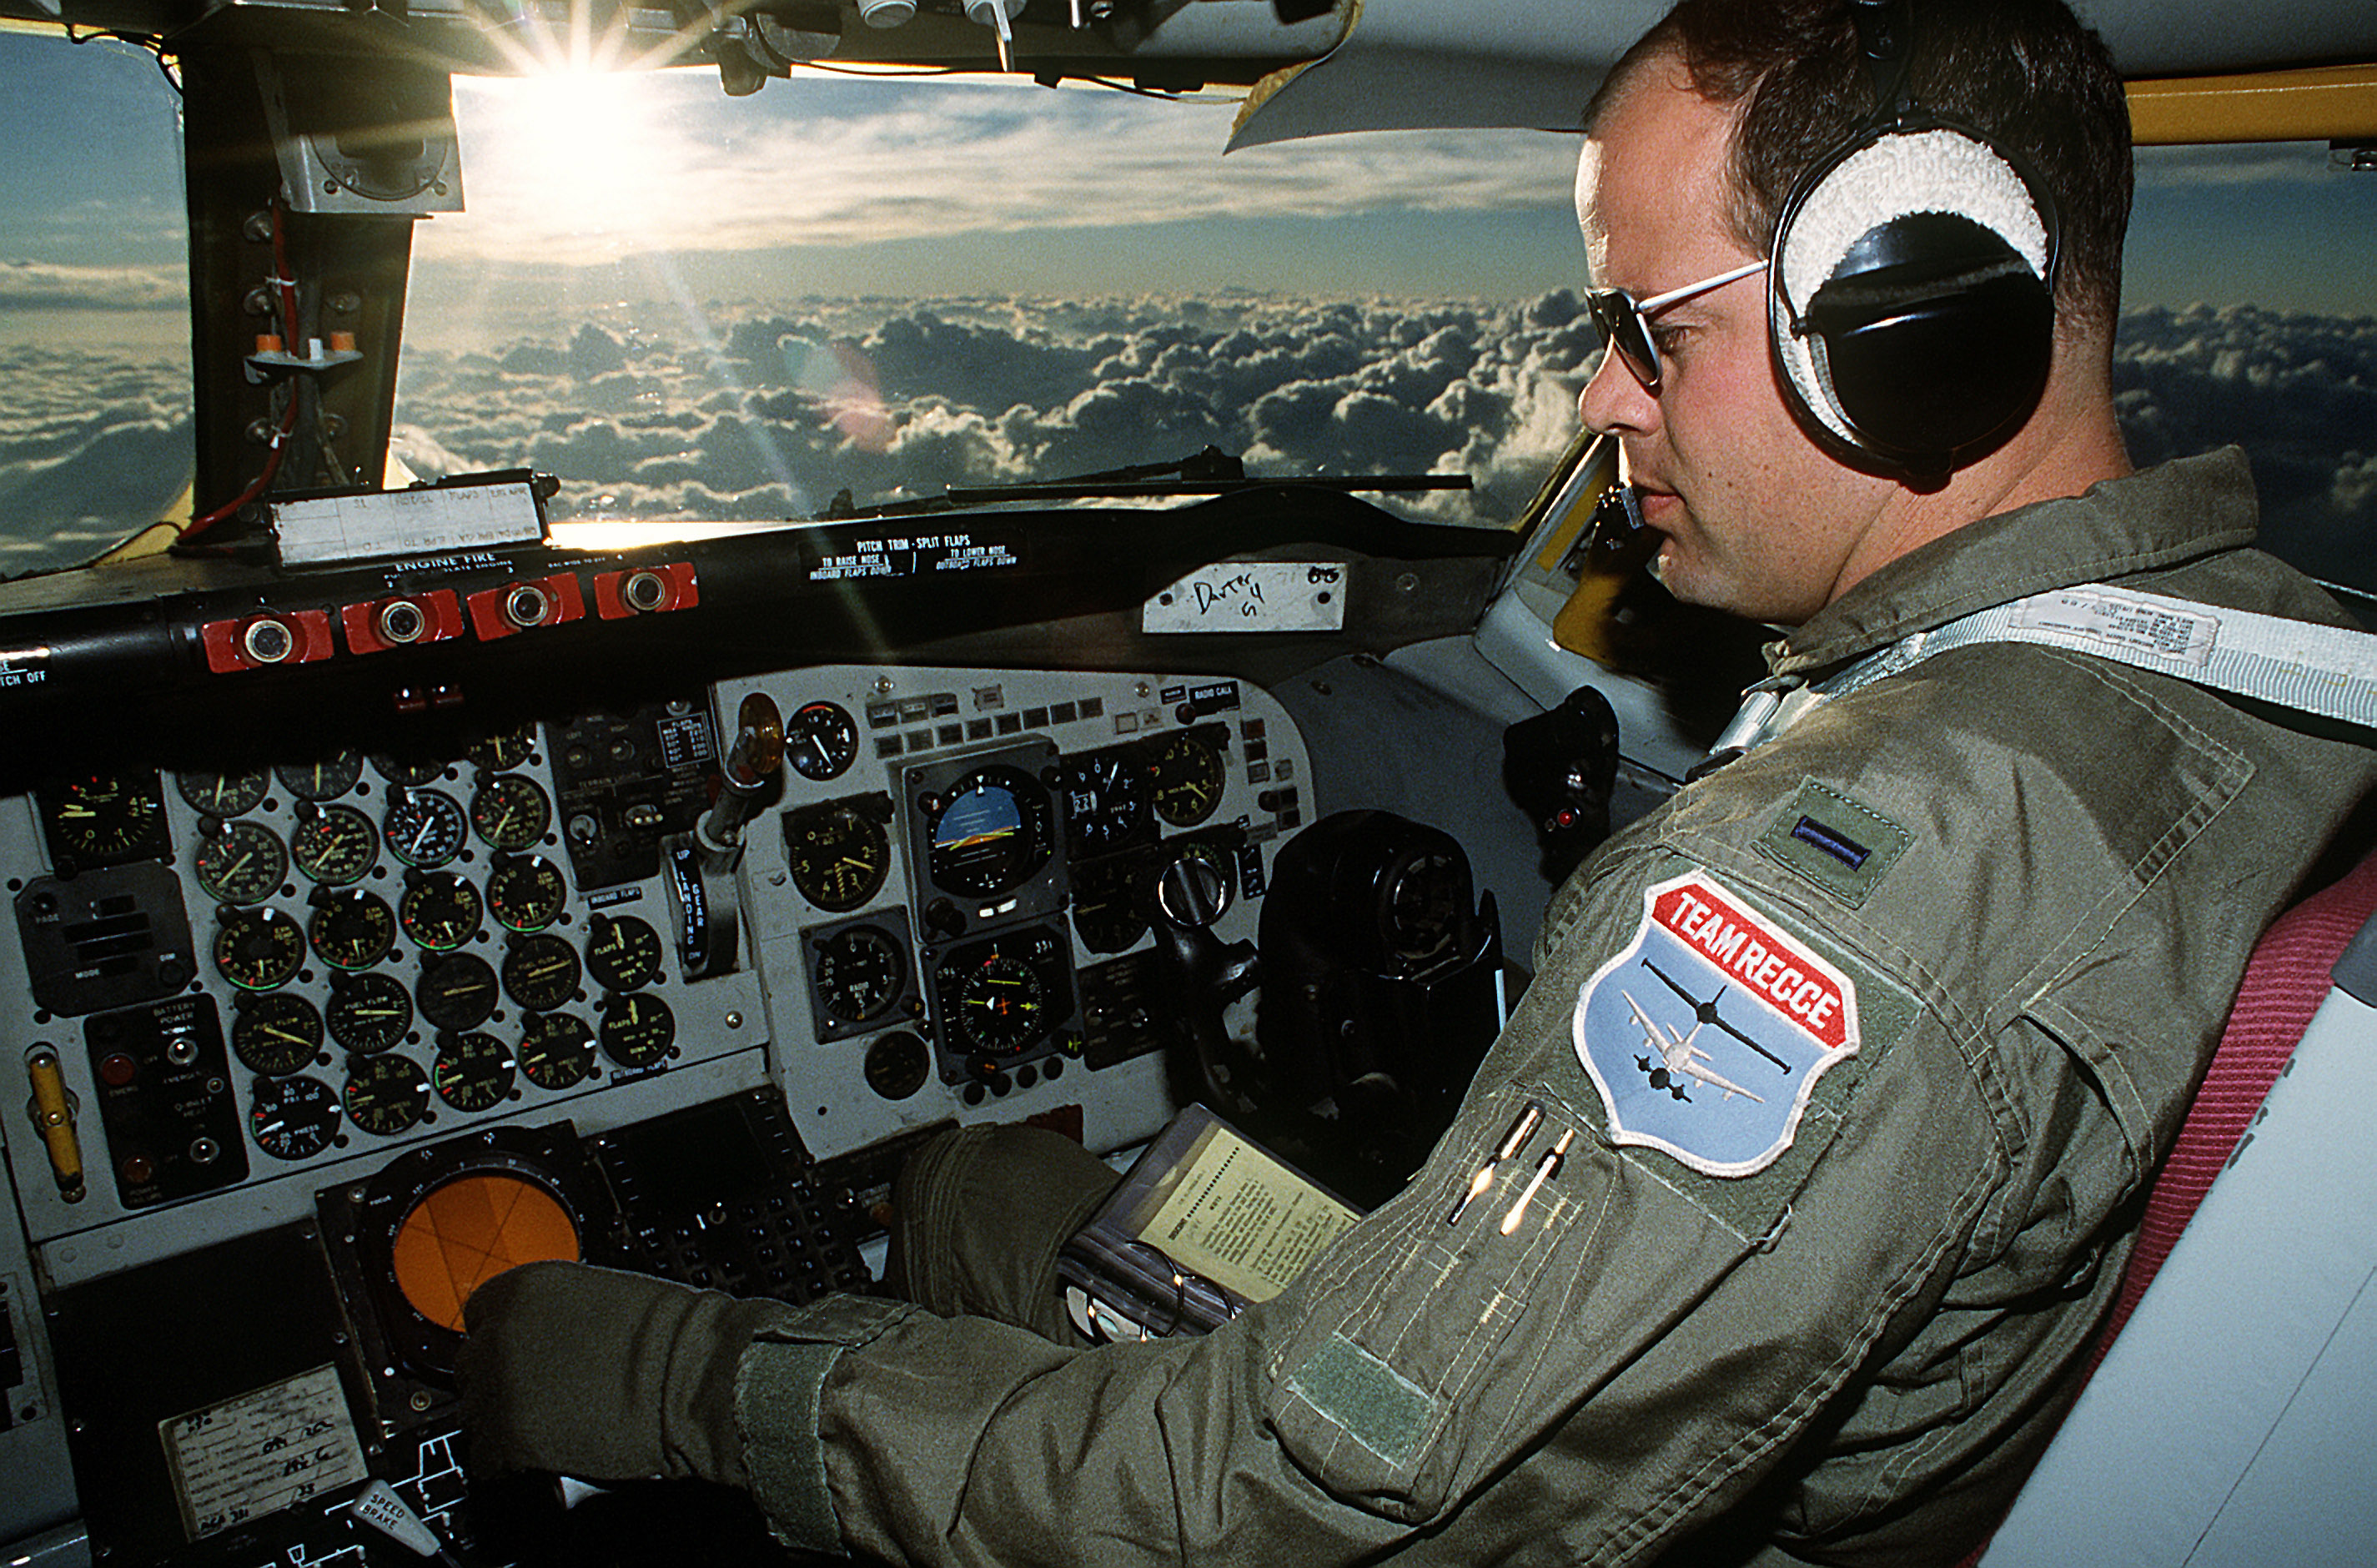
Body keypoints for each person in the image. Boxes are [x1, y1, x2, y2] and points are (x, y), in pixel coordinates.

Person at [459, 2, 2377, 1561]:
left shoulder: (1834, 901)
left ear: (1911, 324)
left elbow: (1275, 1497)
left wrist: (703, 1384)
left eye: (1654, 330)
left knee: (820, 1330)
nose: (1604, 402)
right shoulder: (2278, 664)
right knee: (962, 1186)